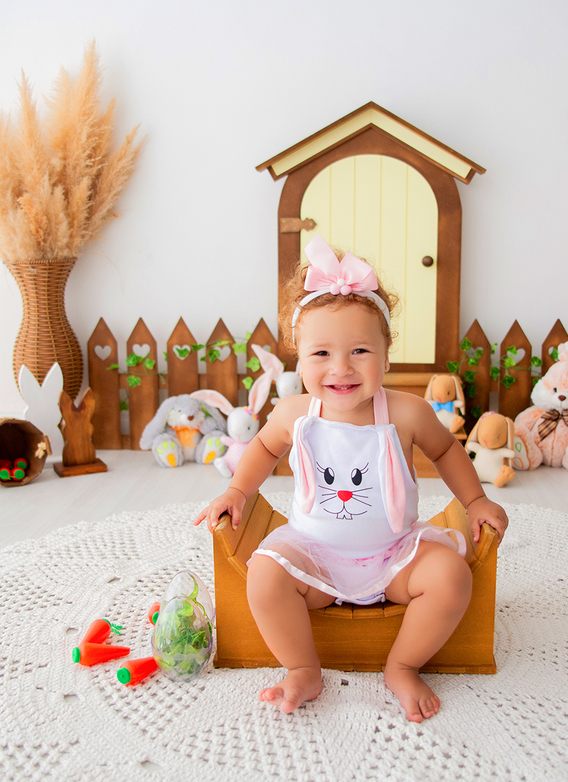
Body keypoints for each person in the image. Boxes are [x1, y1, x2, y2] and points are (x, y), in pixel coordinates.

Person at [195, 236, 508, 723]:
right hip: (315, 555)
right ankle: (303, 668)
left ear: (386, 356)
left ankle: (401, 666)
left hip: (395, 554)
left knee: (452, 578)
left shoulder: (406, 411)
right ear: (299, 358)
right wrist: (238, 491)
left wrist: (476, 499)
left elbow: (447, 449)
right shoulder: (296, 413)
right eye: (321, 354)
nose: (340, 368)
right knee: (263, 573)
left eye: (359, 350)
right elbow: (261, 447)